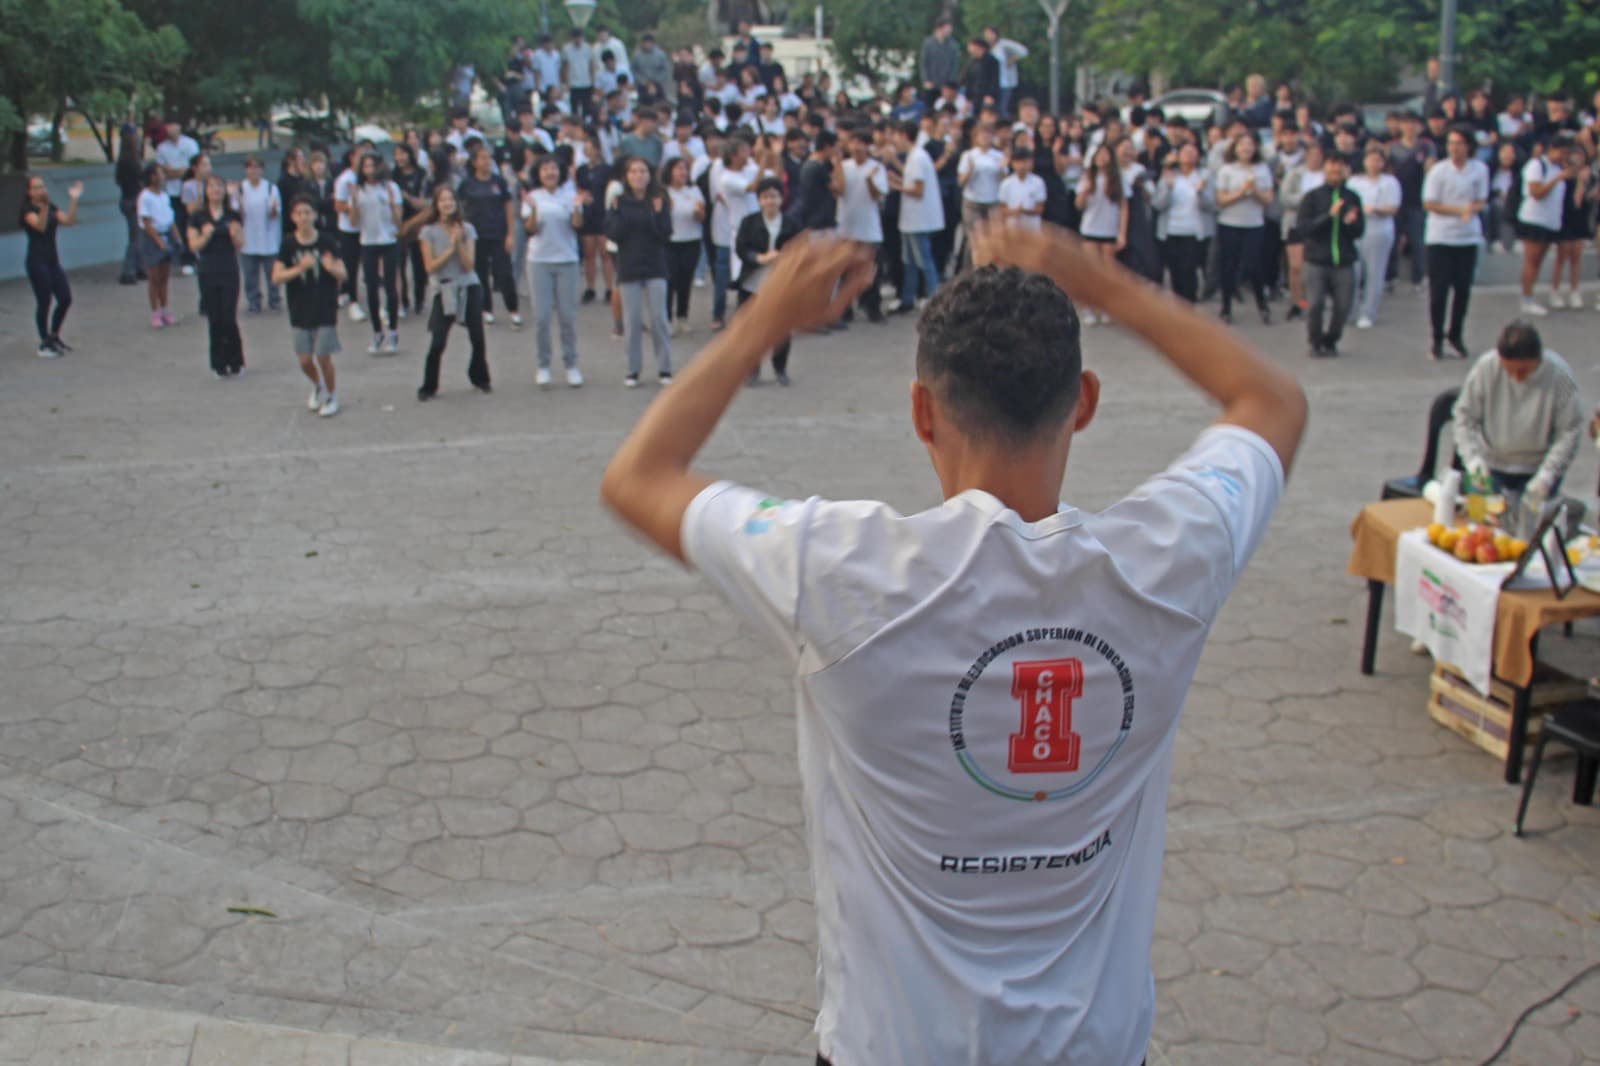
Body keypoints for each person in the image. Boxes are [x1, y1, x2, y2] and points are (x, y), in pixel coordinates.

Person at [598, 221, 1305, 1066]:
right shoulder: (1171, 558)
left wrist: (762, 320)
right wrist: (1103, 283)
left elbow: (639, 475)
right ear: (1083, 400)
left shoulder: (841, 572)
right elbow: (1271, 402)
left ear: (921, 412)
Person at [1453, 321, 1586, 500]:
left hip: (1538, 467)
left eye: (1523, 371)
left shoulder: (1559, 376)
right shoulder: (1486, 367)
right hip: (1490, 464)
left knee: (1532, 522)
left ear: (1538, 358)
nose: (1516, 378)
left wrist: (1547, 475)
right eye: (1509, 370)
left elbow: (1570, 430)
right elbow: (1463, 416)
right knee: (1478, 519)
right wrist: (1473, 461)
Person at [405, 185, 491, 400]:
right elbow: (430, 266)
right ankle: (429, 385)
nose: (447, 204)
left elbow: (469, 265)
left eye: (451, 199)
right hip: (443, 288)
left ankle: (480, 378)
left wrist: (459, 243)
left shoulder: (467, 229)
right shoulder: (428, 232)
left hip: (468, 285)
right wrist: (450, 249)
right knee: (438, 341)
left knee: (477, 337)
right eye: (443, 200)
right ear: (436, 204)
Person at [272, 196, 347, 417]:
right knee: (305, 360)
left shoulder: (327, 241)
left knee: (323, 356)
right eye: (299, 213)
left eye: (307, 212)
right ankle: (318, 385)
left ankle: (332, 396)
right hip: (299, 307)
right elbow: (276, 277)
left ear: (314, 215)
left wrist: (330, 268)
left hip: (324, 306)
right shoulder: (288, 244)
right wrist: (299, 268)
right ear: (293, 217)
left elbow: (343, 273)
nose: (304, 217)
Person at [606, 157, 674, 387]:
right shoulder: (619, 202)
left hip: (655, 265)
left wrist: (656, 214)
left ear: (649, 174)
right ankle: (632, 370)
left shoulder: (659, 200)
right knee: (632, 321)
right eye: (633, 172)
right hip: (629, 266)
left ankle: (665, 368)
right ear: (626, 176)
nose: (638, 176)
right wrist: (618, 214)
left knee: (659, 319)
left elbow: (665, 233)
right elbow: (614, 234)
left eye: (643, 171)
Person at [1422, 126, 1489, 360]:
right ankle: (1436, 338)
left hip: (1467, 237)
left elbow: (1481, 199)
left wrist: (1471, 209)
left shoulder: (1479, 169)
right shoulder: (1439, 171)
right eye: (1451, 143)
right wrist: (1457, 210)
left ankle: (1456, 335)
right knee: (1439, 291)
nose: (1455, 148)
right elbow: (1429, 203)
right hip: (1441, 237)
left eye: (1459, 143)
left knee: (1462, 290)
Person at [523, 155, 588, 388]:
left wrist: (578, 208)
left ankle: (571, 364)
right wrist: (532, 211)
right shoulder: (533, 197)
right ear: (539, 174)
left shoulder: (570, 195)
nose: (550, 173)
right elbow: (530, 229)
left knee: (567, 317)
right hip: (539, 260)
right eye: (545, 169)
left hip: (567, 260)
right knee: (541, 317)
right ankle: (543, 365)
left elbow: (577, 226)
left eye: (553, 168)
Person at [1296, 151, 1363, 357]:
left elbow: (1359, 232)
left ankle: (1331, 339)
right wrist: (1328, 216)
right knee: (1315, 304)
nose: (1336, 170)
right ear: (1324, 168)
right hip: (1317, 260)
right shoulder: (1313, 197)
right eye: (1332, 165)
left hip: (1343, 260)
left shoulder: (1352, 197)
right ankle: (1315, 341)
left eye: (1340, 166)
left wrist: (1350, 224)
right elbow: (1304, 228)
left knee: (1343, 306)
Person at [735, 177, 801, 385]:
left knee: (781, 328)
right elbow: (741, 248)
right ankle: (752, 369)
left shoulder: (791, 223)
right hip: (753, 281)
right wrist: (759, 258)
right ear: (759, 200)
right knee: (751, 329)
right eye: (765, 197)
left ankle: (780, 368)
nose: (770, 201)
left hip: (781, 281)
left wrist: (784, 258)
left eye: (773, 196)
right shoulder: (749, 222)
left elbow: (800, 250)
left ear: (781, 199)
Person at [1213, 131, 1275, 325]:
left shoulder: (1262, 169)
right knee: (1228, 265)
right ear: (1235, 148)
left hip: (1254, 224)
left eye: (1249, 144)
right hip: (1229, 223)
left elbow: (1268, 200)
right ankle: (1226, 307)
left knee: (1253, 264)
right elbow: (1221, 200)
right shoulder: (1226, 170)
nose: (1246, 148)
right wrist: (1241, 192)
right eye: (1241, 145)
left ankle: (1262, 303)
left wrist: (1254, 191)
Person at [187, 174, 246, 378]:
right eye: (211, 187)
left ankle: (236, 360)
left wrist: (234, 234)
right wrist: (206, 234)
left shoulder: (233, 215)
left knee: (229, 316)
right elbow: (193, 245)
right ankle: (218, 363)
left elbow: (240, 245)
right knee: (215, 317)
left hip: (229, 269)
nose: (216, 190)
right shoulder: (198, 216)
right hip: (208, 270)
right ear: (206, 191)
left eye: (219, 186)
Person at [457, 145, 521, 329]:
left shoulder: (498, 182)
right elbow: (460, 208)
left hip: (498, 234)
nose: (487, 161)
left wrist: (510, 234)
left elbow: (508, 207)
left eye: (488, 158)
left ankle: (513, 310)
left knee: (504, 273)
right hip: (476, 237)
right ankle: (487, 310)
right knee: (480, 274)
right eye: (483, 158)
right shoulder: (467, 184)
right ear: (475, 162)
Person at [346, 152, 404, 354]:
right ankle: (377, 332)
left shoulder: (390, 187)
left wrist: (390, 203)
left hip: (388, 239)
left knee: (390, 286)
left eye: (372, 166)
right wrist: (353, 202)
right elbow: (353, 222)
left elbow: (398, 221)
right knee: (371, 287)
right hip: (368, 241)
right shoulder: (359, 190)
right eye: (365, 167)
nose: (369, 170)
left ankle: (393, 331)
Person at [19, 174, 81, 358]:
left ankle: (54, 335)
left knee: (65, 298)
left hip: (52, 261)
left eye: (42, 186)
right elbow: (40, 226)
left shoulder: (51, 207)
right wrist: (44, 207)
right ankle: (44, 342)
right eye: (36, 187)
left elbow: (68, 220)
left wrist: (74, 199)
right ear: (29, 192)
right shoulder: (27, 210)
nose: (41, 189)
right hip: (36, 262)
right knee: (44, 301)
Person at [890, 120, 945, 314]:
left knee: (924, 260)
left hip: (918, 219)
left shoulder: (918, 157)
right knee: (910, 261)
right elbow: (911, 179)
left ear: (904, 135)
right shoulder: (915, 157)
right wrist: (897, 177)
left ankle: (937, 299)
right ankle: (908, 297)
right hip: (911, 219)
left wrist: (896, 186)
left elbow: (917, 189)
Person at [1347, 144, 1401, 329]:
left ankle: (1368, 312)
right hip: (1356, 231)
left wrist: (1376, 209)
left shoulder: (1389, 182)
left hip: (1379, 231)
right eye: (1370, 159)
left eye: (1378, 160)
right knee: (1353, 272)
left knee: (1374, 274)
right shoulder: (1354, 182)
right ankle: (1350, 310)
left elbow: (1393, 208)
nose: (1373, 163)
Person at [839, 127, 889, 324]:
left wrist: (869, 179)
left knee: (871, 271)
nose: (857, 147)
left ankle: (872, 307)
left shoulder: (877, 168)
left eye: (862, 143)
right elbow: (837, 190)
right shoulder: (842, 166)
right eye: (854, 142)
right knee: (845, 271)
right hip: (846, 226)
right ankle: (845, 309)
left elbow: (878, 195)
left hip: (869, 227)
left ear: (869, 146)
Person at [1075, 141, 1126, 323]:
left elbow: (1123, 206)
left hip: (1109, 229)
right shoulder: (1087, 177)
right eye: (1099, 154)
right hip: (1090, 228)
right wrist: (1085, 192)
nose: (1102, 158)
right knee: (1090, 269)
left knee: (1108, 271)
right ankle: (1088, 307)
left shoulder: (1118, 179)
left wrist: (1122, 233)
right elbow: (1078, 204)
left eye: (1105, 154)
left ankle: (1105, 307)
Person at [1151, 141, 1208, 302]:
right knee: (1175, 272)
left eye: (1193, 151)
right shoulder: (1169, 176)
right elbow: (1157, 204)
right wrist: (1168, 188)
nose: (1189, 155)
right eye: (1185, 151)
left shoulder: (1203, 176)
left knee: (1189, 270)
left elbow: (1212, 205)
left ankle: (1190, 304)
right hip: (1171, 231)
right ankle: (1179, 305)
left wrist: (1201, 192)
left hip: (1193, 231)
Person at [662, 156, 706, 336]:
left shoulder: (694, 190)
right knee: (669, 281)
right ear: (670, 171)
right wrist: (667, 209)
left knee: (685, 281)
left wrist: (698, 212)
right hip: (670, 242)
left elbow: (702, 218)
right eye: (678, 168)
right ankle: (667, 320)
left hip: (691, 241)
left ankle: (683, 317)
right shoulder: (663, 192)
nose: (682, 172)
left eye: (685, 169)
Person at [136, 162, 179, 328]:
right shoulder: (145, 197)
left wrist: (177, 238)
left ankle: (164, 308)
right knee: (153, 277)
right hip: (152, 238)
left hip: (166, 233)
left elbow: (170, 219)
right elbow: (146, 223)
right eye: (160, 172)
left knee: (164, 276)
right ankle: (154, 311)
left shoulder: (164, 196)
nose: (163, 175)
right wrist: (159, 242)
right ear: (152, 176)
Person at [238, 156, 283, 314]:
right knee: (250, 274)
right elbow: (238, 215)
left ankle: (274, 299)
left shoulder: (271, 188)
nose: (254, 171)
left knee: (272, 272)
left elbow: (274, 213)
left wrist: (273, 209)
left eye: (257, 167)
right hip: (248, 238)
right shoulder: (241, 189)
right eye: (250, 167)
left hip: (268, 238)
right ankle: (254, 301)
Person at [154, 121, 200, 275]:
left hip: (190, 191)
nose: (171, 128)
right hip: (173, 193)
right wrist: (179, 171)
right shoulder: (162, 148)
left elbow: (193, 168)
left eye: (174, 125)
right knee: (178, 225)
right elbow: (163, 170)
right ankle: (184, 258)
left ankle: (195, 254)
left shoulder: (190, 144)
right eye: (168, 125)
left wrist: (174, 172)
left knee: (193, 223)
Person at [1551, 142, 1593, 310]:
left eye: (1580, 155)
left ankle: (1574, 290)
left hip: (1579, 218)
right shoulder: (1562, 175)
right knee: (1562, 256)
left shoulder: (1586, 175)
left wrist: (1582, 184)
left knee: (1576, 255)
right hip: (1563, 217)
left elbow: (1581, 201)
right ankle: (1555, 290)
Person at [957, 123, 1006, 266]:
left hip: (992, 201)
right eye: (981, 134)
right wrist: (970, 171)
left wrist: (1002, 169)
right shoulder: (968, 155)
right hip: (973, 201)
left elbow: (1005, 180)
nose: (985, 137)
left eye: (988, 134)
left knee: (993, 240)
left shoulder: (998, 156)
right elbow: (960, 181)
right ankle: (970, 270)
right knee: (973, 240)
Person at [332, 149, 366, 321]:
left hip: (367, 228)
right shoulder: (345, 179)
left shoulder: (368, 178)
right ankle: (352, 299)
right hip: (349, 229)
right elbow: (338, 206)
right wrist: (353, 206)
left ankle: (347, 292)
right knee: (351, 266)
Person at [115, 124, 144, 286]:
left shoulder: (123, 159)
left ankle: (140, 268)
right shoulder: (130, 161)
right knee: (135, 238)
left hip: (127, 200)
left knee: (136, 236)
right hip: (133, 201)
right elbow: (139, 180)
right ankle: (128, 271)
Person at [981, 26, 1029, 119]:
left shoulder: (1004, 44)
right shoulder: (987, 48)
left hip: (1005, 81)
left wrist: (1012, 59)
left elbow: (1023, 51)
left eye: (989, 34)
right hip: (994, 83)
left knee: (1002, 108)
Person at [998, 144, 1047, 231]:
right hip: (1012, 229)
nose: (1021, 165)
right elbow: (1002, 209)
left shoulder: (1038, 182)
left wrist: (1024, 211)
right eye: (1018, 162)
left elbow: (1040, 209)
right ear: (1012, 163)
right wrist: (1014, 212)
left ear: (1031, 163)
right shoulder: (1006, 183)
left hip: (1032, 229)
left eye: (1025, 162)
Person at [920, 16, 960, 102]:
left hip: (945, 85)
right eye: (947, 28)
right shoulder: (928, 43)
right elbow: (924, 63)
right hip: (931, 84)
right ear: (940, 28)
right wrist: (926, 80)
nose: (949, 31)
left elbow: (954, 66)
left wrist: (949, 84)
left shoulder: (953, 45)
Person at [563, 28, 596, 120]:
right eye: (576, 37)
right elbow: (565, 67)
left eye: (579, 37)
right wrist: (567, 82)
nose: (578, 40)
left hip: (586, 82)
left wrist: (593, 81)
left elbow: (591, 66)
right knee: (574, 108)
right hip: (574, 83)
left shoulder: (588, 48)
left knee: (587, 107)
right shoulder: (567, 49)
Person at [962, 38, 1000, 114]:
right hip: (974, 96)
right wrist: (968, 98)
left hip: (986, 96)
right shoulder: (971, 62)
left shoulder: (992, 61)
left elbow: (994, 80)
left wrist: (990, 95)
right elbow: (967, 80)